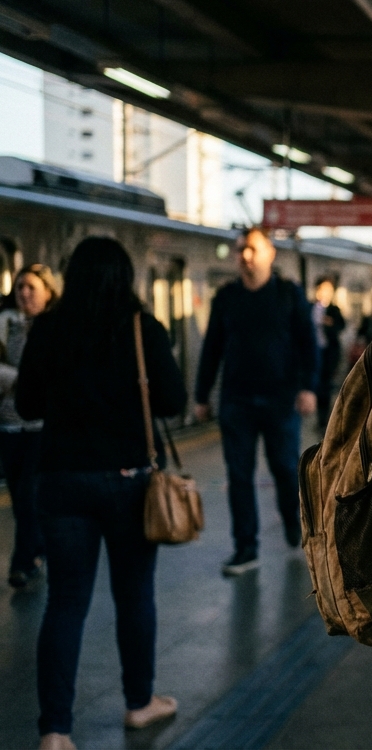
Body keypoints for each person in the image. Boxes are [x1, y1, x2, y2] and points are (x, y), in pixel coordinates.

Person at [16, 237, 187, 749]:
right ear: (125, 277)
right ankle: (139, 704)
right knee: (134, 596)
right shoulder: (139, 327)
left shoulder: (49, 327)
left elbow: (26, 407)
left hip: (62, 481)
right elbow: (174, 399)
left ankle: (54, 731)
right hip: (128, 481)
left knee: (65, 604)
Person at [194, 228, 317, 576]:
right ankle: (245, 547)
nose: (244, 255)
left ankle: (294, 521)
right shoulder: (226, 298)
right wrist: (202, 395)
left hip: (280, 400)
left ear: (270, 254)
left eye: (251, 248)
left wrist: (308, 387)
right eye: (239, 250)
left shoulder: (287, 294)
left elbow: (308, 344)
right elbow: (212, 349)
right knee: (239, 475)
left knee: (283, 468)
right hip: (237, 401)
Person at [0, 264, 60, 591]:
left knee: (28, 492)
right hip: (8, 423)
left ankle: (23, 561)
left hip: (41, 425)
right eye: (20, 287)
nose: (24, 293)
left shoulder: (54, 327)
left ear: (48, 292)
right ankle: (37, 550)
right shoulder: (5, 324)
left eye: (31, 287)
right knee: (19, 493)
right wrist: (21, 380)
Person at [311, 276, 346, 430]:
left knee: (325, 386)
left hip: (328, 353)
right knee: (317, 385)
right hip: (313, 352)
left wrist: (329, 324)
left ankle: (323, 420)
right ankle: (319, 416)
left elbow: (340, 326)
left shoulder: (334, 310)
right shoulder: (309, 307)